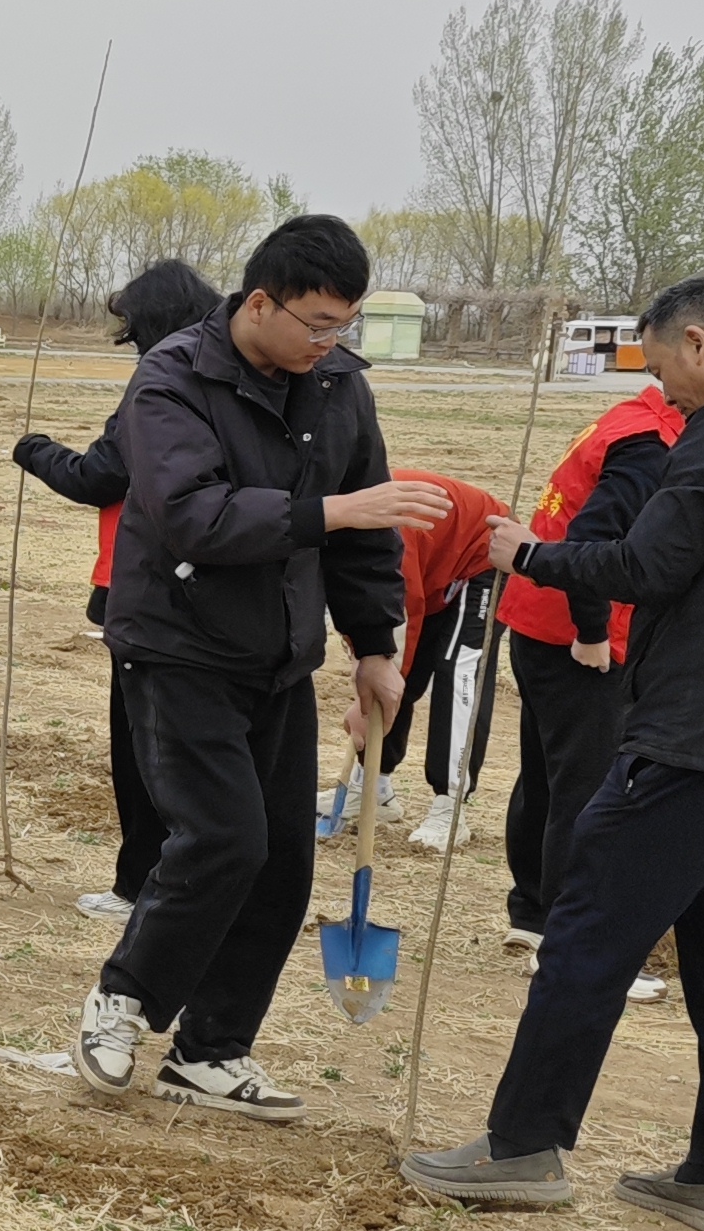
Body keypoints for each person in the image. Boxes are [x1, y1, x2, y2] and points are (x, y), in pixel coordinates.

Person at [405, 278, 704, 1231]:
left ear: (698, 344)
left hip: (694, 745)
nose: (666, 392)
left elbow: (645, 564)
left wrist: (527, 556)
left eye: (665, 369)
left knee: (587, 931)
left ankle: (521, 1148)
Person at [68, 216, 446, 1111]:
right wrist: (335, 512)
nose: (331, 343)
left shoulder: (339, 386)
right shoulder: (169, 379)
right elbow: (196, 514)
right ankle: (123, 999)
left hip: (279, 652)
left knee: (281, 860)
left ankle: (212, 1049)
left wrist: (377, 650)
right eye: (317, 324)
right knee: (223, 837)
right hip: (179, 643)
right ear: (261, 302)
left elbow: (365, 539)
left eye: (344, 325)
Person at [12, 257, 218, 919]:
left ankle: (143, 884)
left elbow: (99, 476)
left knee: (143, 745)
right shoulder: (231, 376)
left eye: (132, 331)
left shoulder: (160, 382)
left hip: (144, 589)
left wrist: (34, 449)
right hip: (215, 589)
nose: (129, 343)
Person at [494, 376, 685, 938]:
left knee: (547, 776)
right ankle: (567, 932)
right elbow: (592, 537)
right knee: (584, 787)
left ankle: (532, 911)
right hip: (576, 635)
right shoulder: (650, 443)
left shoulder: (629, 416)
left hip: (536, 614)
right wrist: (593, 629)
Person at [371, 466, 510, 854]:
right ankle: (373, 789)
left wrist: (380, 669)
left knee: (457, 669)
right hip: (434, 567)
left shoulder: (383, 532)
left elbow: (400, 612)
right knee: (393, 671)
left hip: (482, 556)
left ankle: (450, 806)